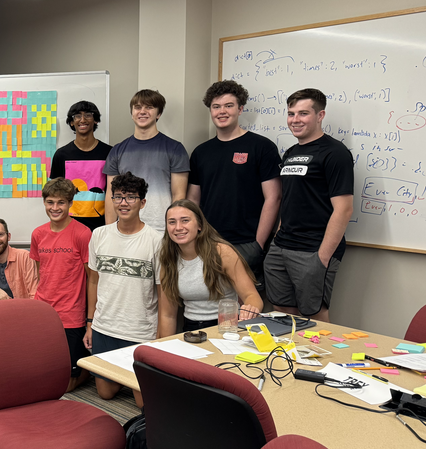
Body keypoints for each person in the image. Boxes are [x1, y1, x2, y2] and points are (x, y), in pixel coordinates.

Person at [265, 88, 354, 321]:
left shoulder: (335, 153)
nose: (295, 120)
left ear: (320, 115)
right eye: (291, 113)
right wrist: (276, 239)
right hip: (282, 246)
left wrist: (322, 258)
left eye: (303, 113)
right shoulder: (291, 153)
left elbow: (343, 209)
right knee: (282, 312)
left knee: (314, 316)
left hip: (313, 249)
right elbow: (289, 198)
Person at [188, 80, 281, 288]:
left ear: (240, 109)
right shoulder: (201, 152)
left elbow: (273, 197)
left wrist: (258, 243)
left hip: (247, 243)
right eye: (216, 106)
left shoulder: (262, 147)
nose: (222, 111)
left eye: (228, 106)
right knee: (211, 305)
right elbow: (193, 199)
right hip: (208, 242)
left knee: (245, 309)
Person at [84, 173, 161, 403]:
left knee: (143, 403)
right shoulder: (99, 235)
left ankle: (133, 376)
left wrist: (160, 336)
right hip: (105, 327)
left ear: (143, 202)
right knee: (105, 394)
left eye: (130, 197)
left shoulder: (156, 240)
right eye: (117, 197)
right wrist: (90, 323)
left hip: (139, 331)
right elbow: (93, 281)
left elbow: (163, 292)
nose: (123, 203)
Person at [157, 200, 263, 338]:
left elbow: (252, 297)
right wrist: (164, 348)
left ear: (199, 225)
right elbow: (168, 315)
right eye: (172, 222)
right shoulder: (168, 260)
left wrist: (250, 309)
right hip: (191, 330)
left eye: (185, 220)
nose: (178, 227)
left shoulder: (222, 252)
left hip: (226, 327)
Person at [31, 178, 92, 393]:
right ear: (44, 203)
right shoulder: (38, 234)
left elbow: (91, 279)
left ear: (70, 203)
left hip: (71, 314)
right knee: (41, 371)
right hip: (44, 310)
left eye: (61, 202)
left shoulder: (83, 234)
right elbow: (41, 273)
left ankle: (90, 368)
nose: (55, 208)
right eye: (50, 202)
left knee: (65, 387)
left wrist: (90, 320)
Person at [103, 89, 190, 232]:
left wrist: (174, 228)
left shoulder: (175, 149)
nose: (142, 111)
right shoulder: (117, 151)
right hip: (125, 229)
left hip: (161, 229)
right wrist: (109, 231)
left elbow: (178, 196)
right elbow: (111, 195)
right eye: (138, 107)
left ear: (159, 114)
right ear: (132, 113)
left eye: (149, 107)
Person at [49, 100, 112, 231]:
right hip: (69, 226)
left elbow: (115, 191)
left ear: (95, 120)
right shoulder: (61, 155)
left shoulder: (109, 153)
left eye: (88, 115)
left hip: (102, 226)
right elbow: (54, 193)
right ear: (72, 122)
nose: (82, 119)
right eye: (77, 116)